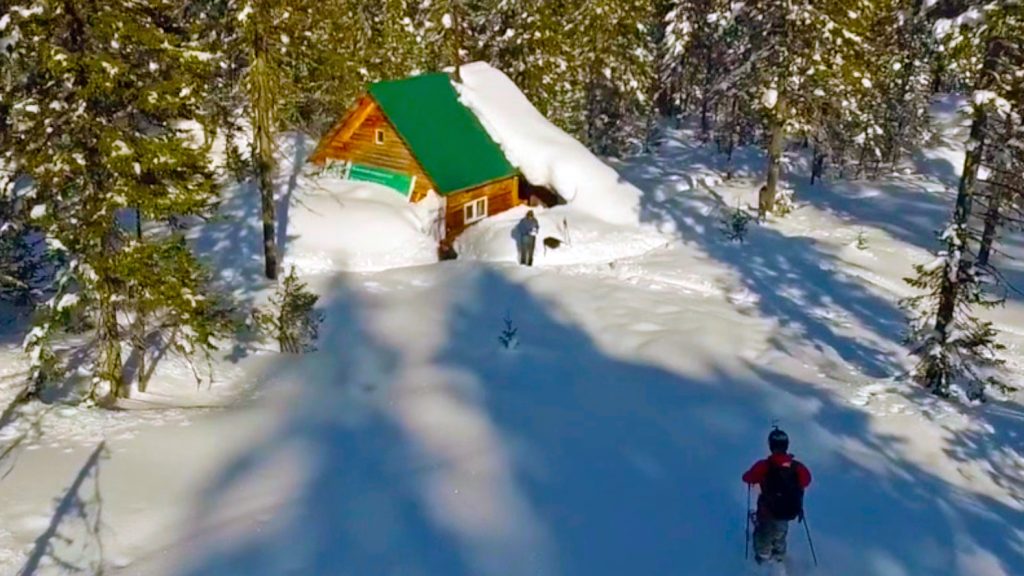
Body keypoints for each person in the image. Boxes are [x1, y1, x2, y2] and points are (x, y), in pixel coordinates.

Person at [742, 428, 812, 565]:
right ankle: (779, 555)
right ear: (787, 445)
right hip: (789, 510)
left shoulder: (764, 465)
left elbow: (747, 478)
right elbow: (807, 480)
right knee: (781, 531)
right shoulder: (797, 467)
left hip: (767, 510)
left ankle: (763, 555)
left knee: (764, 532)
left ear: (770, 446)